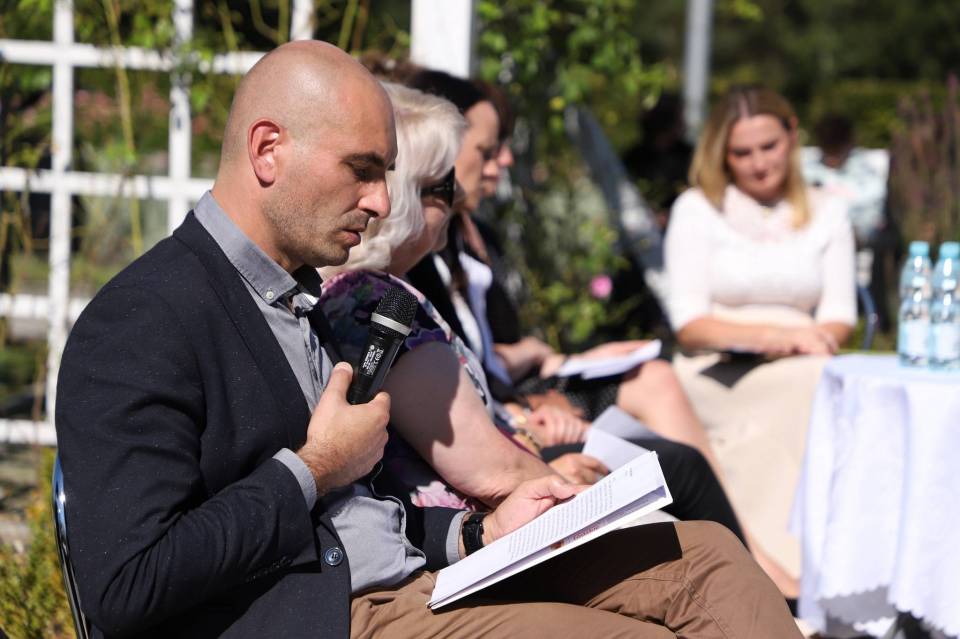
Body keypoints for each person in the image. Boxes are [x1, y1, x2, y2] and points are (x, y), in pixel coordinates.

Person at [56, 41, 801, 638]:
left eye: (387, 174)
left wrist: (478, 533)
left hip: (418, 579)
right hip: (332, 614)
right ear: (268, 149)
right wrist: (313, 467)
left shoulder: (297, 293)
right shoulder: (144, 318)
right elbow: (125, 587)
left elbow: (359, 514)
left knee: (706, 556)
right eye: (361, 170)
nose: (382, 202)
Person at [319, 82, 746, 539]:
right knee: (681, 496)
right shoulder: (373, 301)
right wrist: (562, 479)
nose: (457, 196)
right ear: (404, 196)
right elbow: (490, 472)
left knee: (677, 482)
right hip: (468, 542)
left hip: (474, 520)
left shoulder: (372, 292)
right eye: (444, 185)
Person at [664, 85, 857, 586]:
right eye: (742, 152)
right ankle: (790, 573)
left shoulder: (828, 210)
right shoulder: (697, 210)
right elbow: (690, 324)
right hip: (716, 369)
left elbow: (840, 314)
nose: (758, 163)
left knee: (825, 383)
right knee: (814, 384)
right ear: (722, 154)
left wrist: (812, 341)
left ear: (792, 135)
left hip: (803, 363)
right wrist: (781, 338)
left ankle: (822, 566)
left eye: (768, 146)